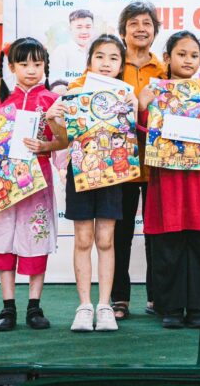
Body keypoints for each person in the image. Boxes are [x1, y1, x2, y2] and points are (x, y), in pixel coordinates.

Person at [69, 1, 165, 320]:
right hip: (117, 167)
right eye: (133, 23)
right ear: (123, 31)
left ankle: (158, 297)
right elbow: (78, 97)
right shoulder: (108, 67)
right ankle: (119, 298)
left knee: (157, 234)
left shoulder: (162, 70)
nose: (141, 28)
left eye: (147, 23)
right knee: (118, 235)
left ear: (155, 31)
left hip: (155, 164)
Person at [138, 31, 200, 329]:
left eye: (194, 55)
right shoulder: (154, 92)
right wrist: (143, 107)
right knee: (168, 242)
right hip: (167, 178)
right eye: (181, 54)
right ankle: (171, 307)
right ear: (167, 57)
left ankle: (198, 308)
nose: (188, 60)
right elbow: (143, 133)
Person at [0, 37, 68, 331]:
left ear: (45, 66)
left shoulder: (53, 101)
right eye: (24, 64)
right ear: (12, 66)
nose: (31, 70)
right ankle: (8, 308)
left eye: (37, 64)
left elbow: (63, 142)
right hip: (5, 184)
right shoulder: (2, 103)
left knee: (35, 239)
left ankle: (34, 306)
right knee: (4, 239)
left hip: (37, 184)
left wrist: (47, 148)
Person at [54, 34, 138, 332]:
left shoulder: (126, 95)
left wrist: (133, 107)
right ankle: (84, 306)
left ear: (121, 65)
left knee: (106, 240)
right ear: (89, 60)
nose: (106, 63)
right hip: (80, 172)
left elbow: (131, 136)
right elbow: (62, 138)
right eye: (100, 56)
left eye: (114, 58)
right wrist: (54, 117)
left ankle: (104, 306)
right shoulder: (74, 92)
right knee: (83, 240)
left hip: (112, 175)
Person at [49, 9, 94, 85]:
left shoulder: (95, 51)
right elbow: (55, 82)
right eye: (79, 27)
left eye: (88, 27)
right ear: (70, 29)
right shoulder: (61, 51)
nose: (84, 31)